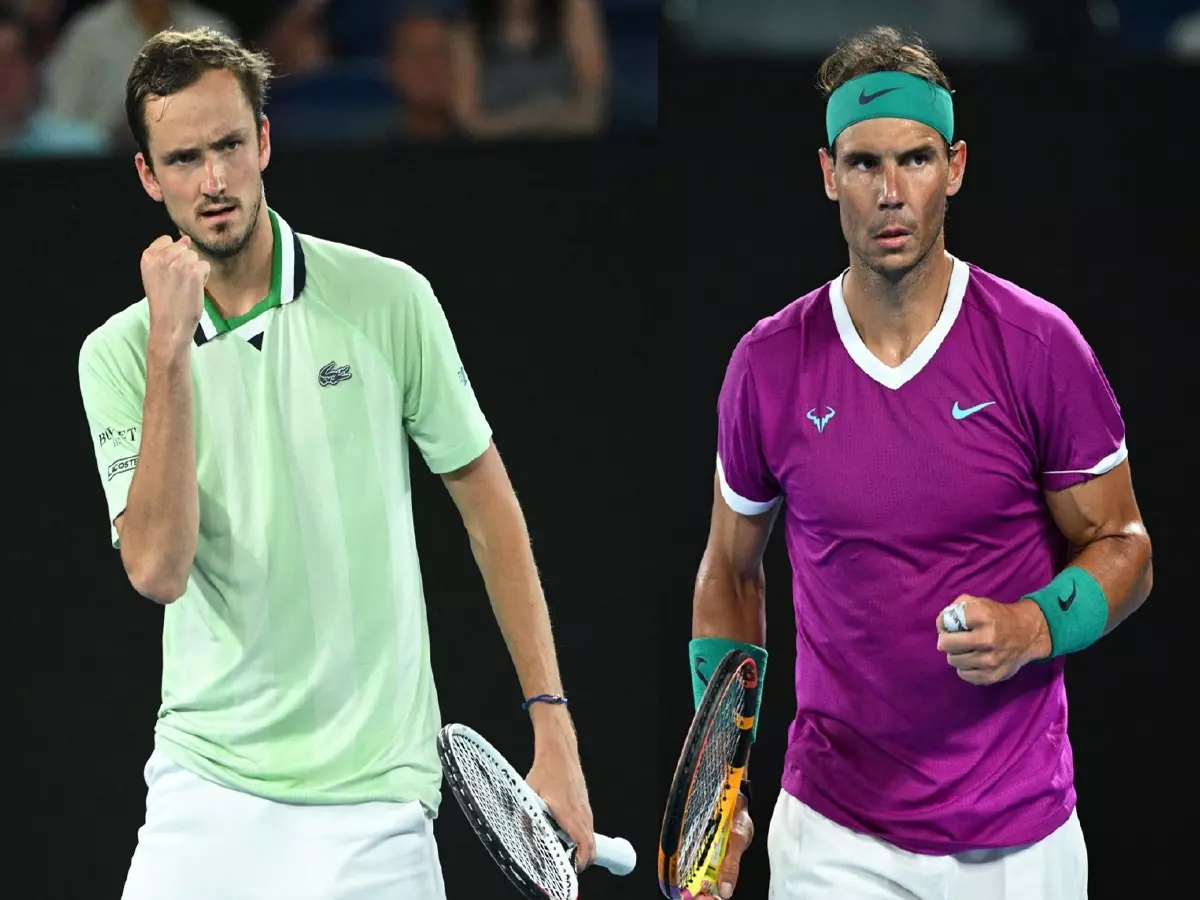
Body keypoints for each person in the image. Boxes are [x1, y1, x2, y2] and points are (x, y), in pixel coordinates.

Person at [77, 27, 595, 900]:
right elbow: (159, 569)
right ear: (147, 175)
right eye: (185, 158)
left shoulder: (390, 298)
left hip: (375, 807)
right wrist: (172, 348)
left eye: (231, 146)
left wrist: (555, 732)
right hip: (203, 790)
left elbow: (488, 509)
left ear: (265, 141)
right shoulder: (120, 355)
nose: (213, 181)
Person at [688, 25, 1152, 900]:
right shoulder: (768, 364)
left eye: (916, 159)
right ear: (829, 175)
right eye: (864, 164)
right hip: (835, 833)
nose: (891, 192)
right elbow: (730, 572)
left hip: (1022, 836)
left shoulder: (1039, 348)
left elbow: (1125, 544)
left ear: (958, 167)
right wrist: (722, 788)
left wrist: (1034, 626)